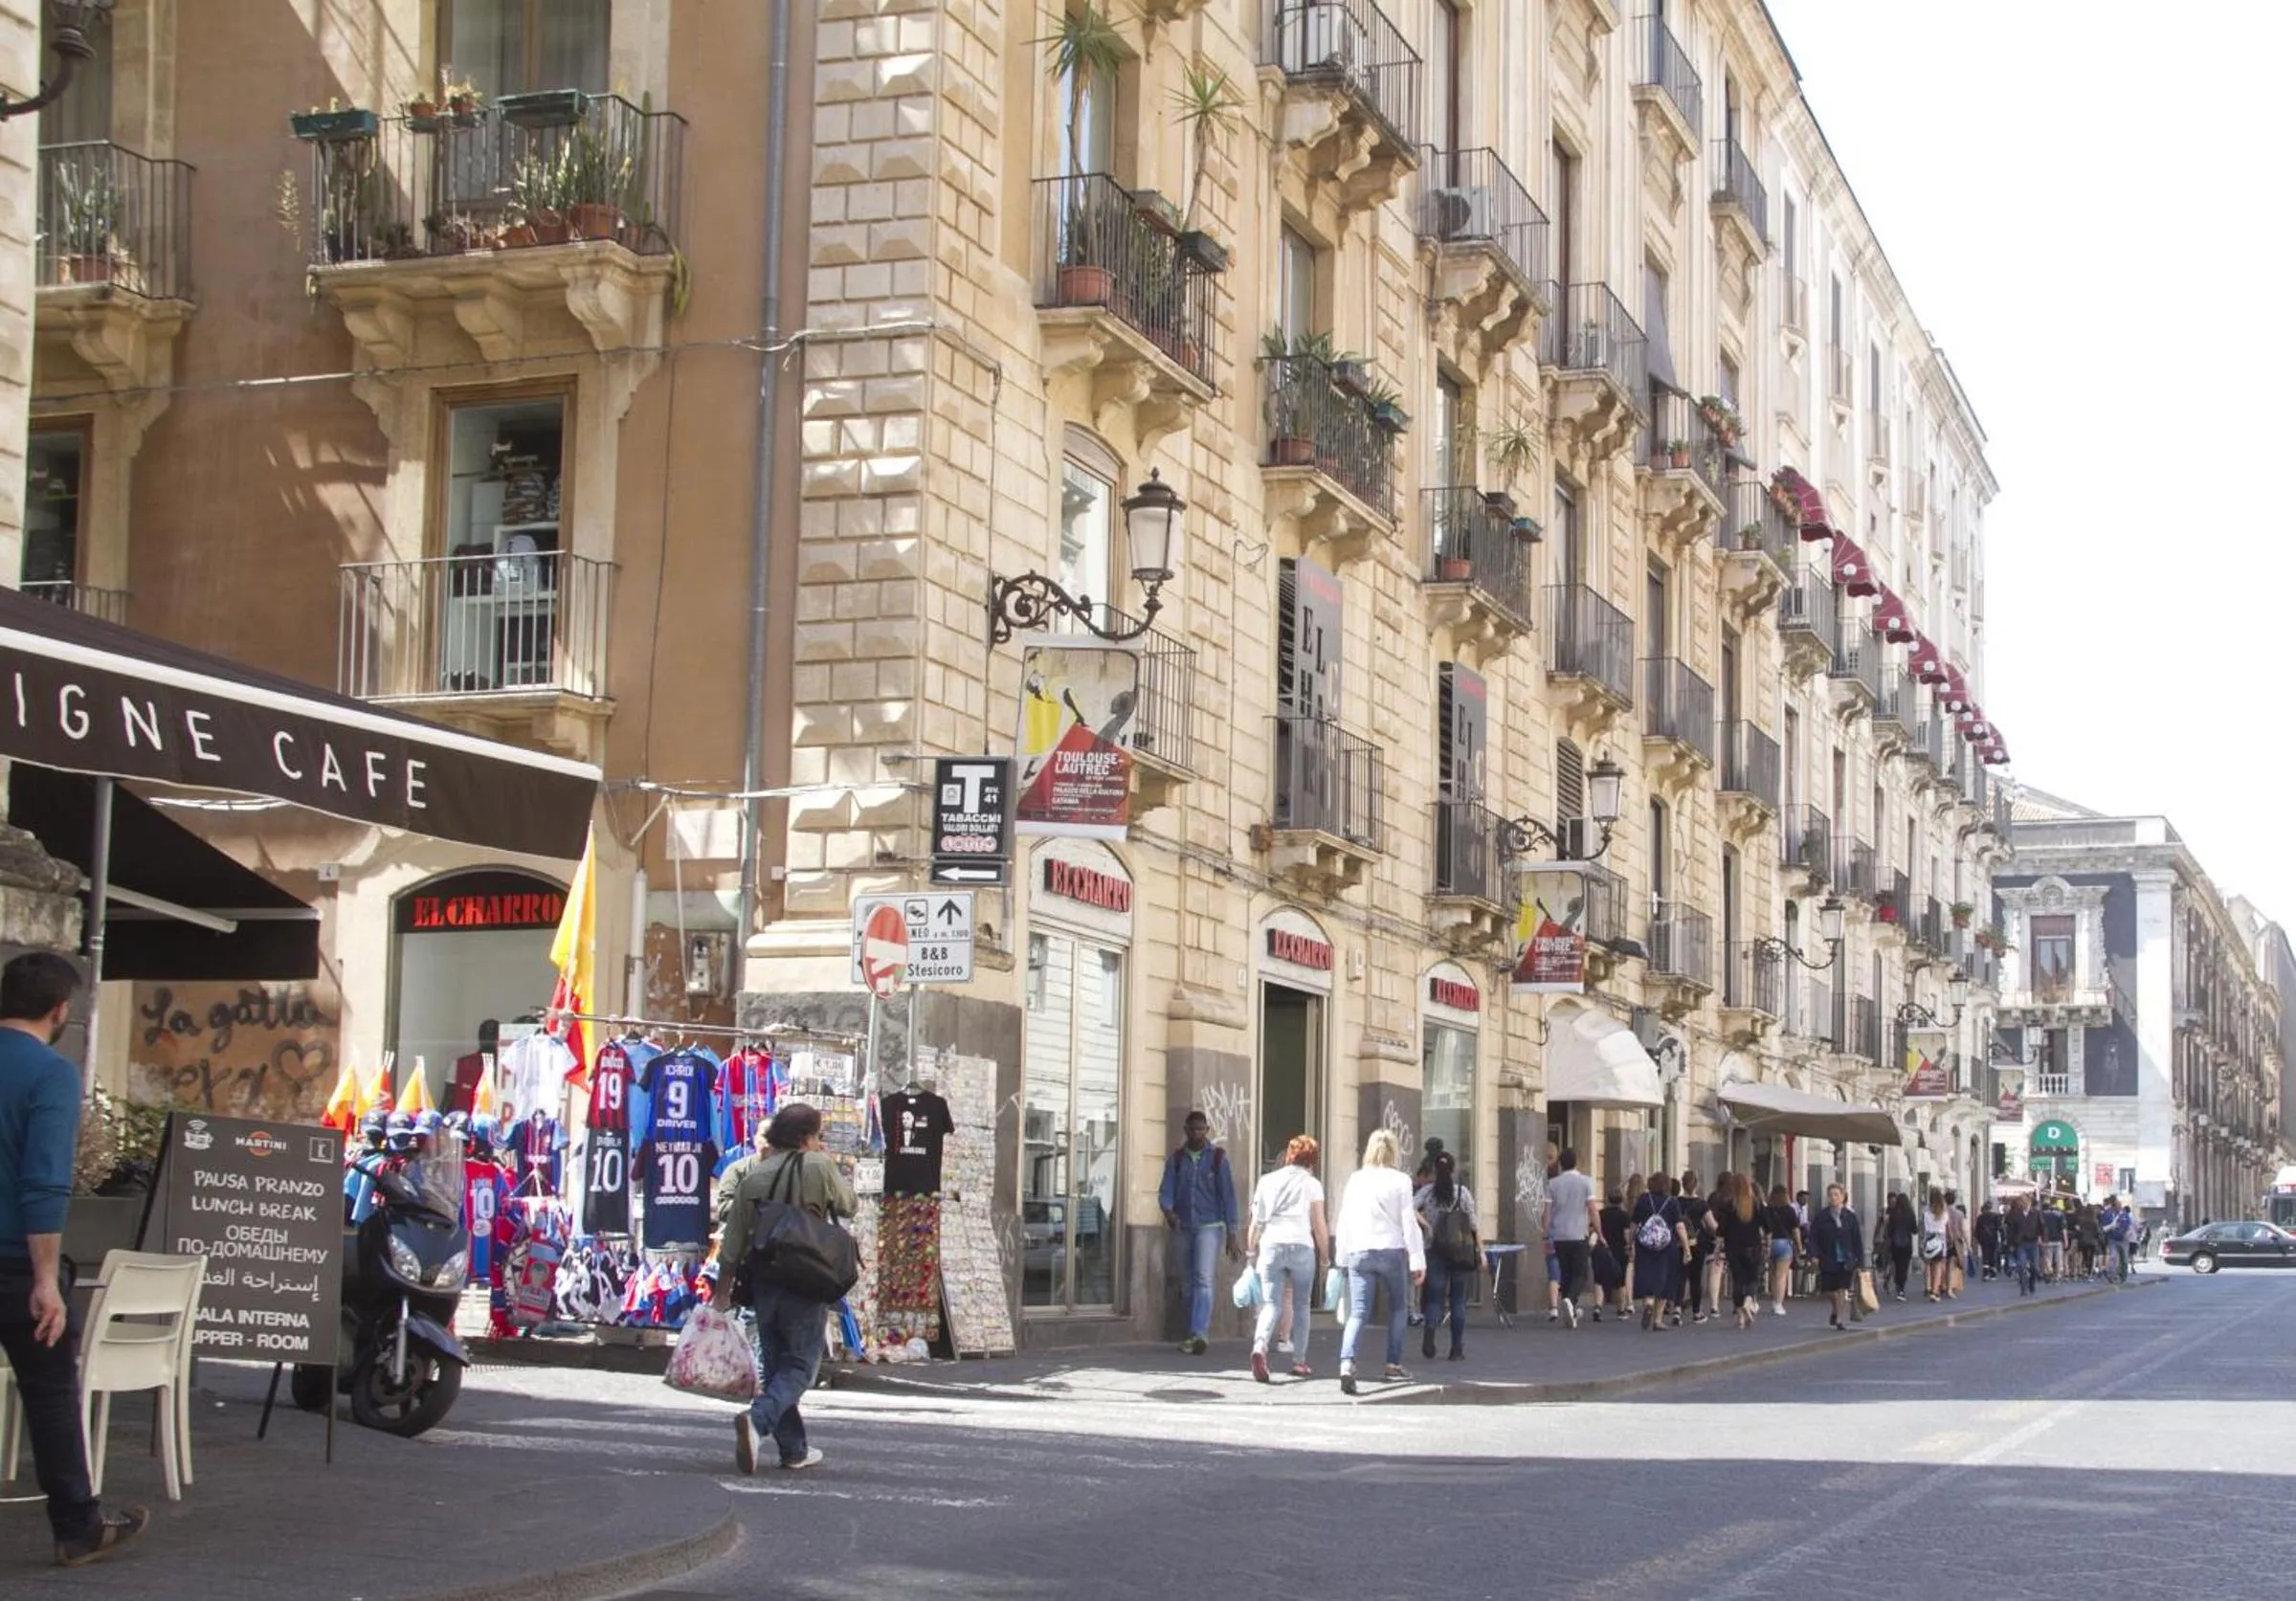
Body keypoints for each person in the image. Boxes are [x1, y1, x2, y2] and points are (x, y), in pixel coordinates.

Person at [0, 953, 148, 1565]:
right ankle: (77, 1525)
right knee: (49, 1393)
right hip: (12, 1263)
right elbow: (44, 1184)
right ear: (62, 1010)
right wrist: (45, 1280)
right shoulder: (50, 1075)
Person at [715, 1102, 858, 1474]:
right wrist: (826, 1163)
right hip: (807, 1274)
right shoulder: (818, 1165)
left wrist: (722, 1290)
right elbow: (848, 1205)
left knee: (778, 1365)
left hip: (764, 1278)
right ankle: (758, 1420)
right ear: (808, 1136)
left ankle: (793, 1450)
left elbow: (733, 1240)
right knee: (802, 1367)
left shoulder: (754, 1176)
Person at [1333, 1128, 1424, 1394]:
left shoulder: (1356, 1179)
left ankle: (1347, 1363)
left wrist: (1341, 1257)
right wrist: (1417, 1259)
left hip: (1359, 1251)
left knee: (1358, 1311)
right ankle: (1393, 1364)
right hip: (1391, 1251)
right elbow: (1408, 1221)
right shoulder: (1401, 1180)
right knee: (1398, 1309)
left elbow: (1345, 1218)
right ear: (1394, 1151)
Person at [1157, 1110, 1241, 1356]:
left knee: (1203, 1277)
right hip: (1183, 1226)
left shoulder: (1217, 1158)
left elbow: (1228, 1196)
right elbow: (1166, 1190)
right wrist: (1168, 1211)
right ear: (1186, 1130)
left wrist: (1232, 1232)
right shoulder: (1177, 1159)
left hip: (1209, 1227)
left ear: (1207, 1130)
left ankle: (1199, 1333)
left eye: (1201, 1129)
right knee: (1187, 1281)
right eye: (1192, 1129)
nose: (1196, 1134)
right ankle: (1191, 1333)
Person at [1246, 1135, 1328, 1383]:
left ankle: (1260, 1347)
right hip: (1301, 1246)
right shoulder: (1312, 1184)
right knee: (1302, 1305)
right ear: (1312, 1160)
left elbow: (1256, 1222)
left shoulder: (1267, 1180)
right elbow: (1319, 1224)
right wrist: (1325, 1258)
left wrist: (1250, 1253)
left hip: (1271, 1245)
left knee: (1272, 1304)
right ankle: (1299, 1361)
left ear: (1290, 1155)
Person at [1415, 1151, 1479, 1361]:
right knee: (1458, 1301)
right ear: (1453, 1170)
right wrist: (1482, 1252)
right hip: (1461, 1252)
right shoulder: (1463, 1193)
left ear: (1434, 1170)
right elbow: (1474, 1225)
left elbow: (1408, 1208)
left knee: (1434, 1299)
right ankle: (1456, 1349)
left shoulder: (1428, 1192)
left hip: (1435, 1250)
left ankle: (1430, 1333)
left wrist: (1427, 1226)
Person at [1544, 1146, 1600, 1330]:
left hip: (1559, 1236)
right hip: (1578, 1235)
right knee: (1581, 1273)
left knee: (1566, 1273)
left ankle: (1571, 1309)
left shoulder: (1553, 1184)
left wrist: (1546, 1233)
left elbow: (1547, 1212)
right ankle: (1569, 1299)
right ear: (1576, 1162)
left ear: (1561, 1164)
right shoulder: (1586, 1182)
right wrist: (1599, 1232)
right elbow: (1592, 1209)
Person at [1629, 1172, 1686, 1330]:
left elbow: (1634, 1223)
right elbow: (1679, 1226)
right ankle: (1658, 1320)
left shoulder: (1643, 1199)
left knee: (1646, 1274)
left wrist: (1630, 1242)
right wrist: (1686, 1247)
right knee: (1665, 1279)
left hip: (1645, 1244)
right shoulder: (1673, 1202)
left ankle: (1648, 1302)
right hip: (1667, 1246)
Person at [1810, 1183, 1866, 1330]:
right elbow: (1814, 1237)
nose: (1833, 1197)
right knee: (1828, 1290)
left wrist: (1860, 1260)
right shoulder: (1822, 1216)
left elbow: (1856, 1239)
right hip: (1828, 1257)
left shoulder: (1850, 1217)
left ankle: (1840, 1318)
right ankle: (1835, 1308)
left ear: (1842, 1197)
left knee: (1842, 1288)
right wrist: (1814, 1254)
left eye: (1836, 1194)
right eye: (1830, 1195)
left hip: (1846, 1259)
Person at [1719, 1173, 1767, 1330]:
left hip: (1733, 1248)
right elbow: (1768, 1225)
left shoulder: (1728, 1205)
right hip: (1753, 1246)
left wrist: (1720, 1245)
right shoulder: (1756, 1203)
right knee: (1753, 1279)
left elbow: (1721, 1229)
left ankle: (1740, 1316)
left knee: (1738, 1281)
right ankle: (1748, 1301)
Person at [1762, 1184, 1802, 1316]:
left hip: (1770, 1242)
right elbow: (1795, 1230)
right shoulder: (1789, 1210)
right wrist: (1799, 1246)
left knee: (1773, 1274)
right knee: (1781, 1275)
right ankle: (1778, 1304)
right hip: (1784, 1243)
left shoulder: (1767, 1210)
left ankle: (1774, 1301)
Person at [1595, 1187, 1632, 1323]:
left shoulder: (1601, 1213)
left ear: (1607, 1199)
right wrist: (1629, 1246)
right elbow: (1626, 1234)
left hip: (1603, 1249)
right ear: (1621, 1200)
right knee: (1620, 1281)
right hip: (1619, 1251)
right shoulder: (1624, 1215)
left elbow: (1593, 1229)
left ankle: (1598, 1307)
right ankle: (1621, 1310)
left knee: (1599, 1279)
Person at [1883, 1192, 1918, 1301]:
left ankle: (1897, 1284)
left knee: (1897, 1266)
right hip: (1907, 1244)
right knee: (1904, 1266)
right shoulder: (1910, 1214)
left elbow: (1890, 1230)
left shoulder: (1894, 1214)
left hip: (1895, 1244)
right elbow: (1914, 1230)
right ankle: (1901, 1289)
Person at [1920, 1189, 1952, 1302]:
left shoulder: (1925, 1211)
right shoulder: (1944, 1212)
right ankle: (1935, 1291)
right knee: (1938, 1266)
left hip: (1928, 1239)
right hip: (1940, 1239)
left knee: (1929, 1264)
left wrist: (1921, 1240)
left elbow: (1922, 1227)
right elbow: (1947, 1228)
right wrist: (1950, 1239)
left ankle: (1930, 1287)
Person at [2006, 1193, 2042, 1295]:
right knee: (2021, 1265)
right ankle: (2023, 1287)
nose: (2023, 1203)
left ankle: (2031, 1283)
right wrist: (2011, 1244)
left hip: (2033, 1242)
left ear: (2029, 1201)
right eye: (2021, 1201)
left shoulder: (2036, 1212)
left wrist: (2041, 1237)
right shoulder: (2016, 1214)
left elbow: (2041, 1226)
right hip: (2021, 1243)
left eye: (2025, 1201)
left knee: (2035, 1267)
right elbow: (2011, 1230)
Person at [2039, 1199, 2067, 1282]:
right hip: (2058, 1239)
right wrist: (2065, 1240)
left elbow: (2040, 1228)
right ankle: (2058, 1276)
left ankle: (2049, 1271)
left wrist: (2040, 1237)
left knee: (2048, 1258)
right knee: (2058, 1259)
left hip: (2047, 1239)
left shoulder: (2042, 1215)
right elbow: (2063, 1229)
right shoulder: (2060, 1215)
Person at [1974, 1201, 2004, 1281]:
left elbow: (1977, 1230)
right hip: (1993, 1238)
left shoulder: (1980, 1217)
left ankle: (1985, 1273)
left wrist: (1978, 1239)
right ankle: (1993, 1273)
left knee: (1985, 1255)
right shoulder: (1996, 1216)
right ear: (1991, 1207)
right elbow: (2000, 1228)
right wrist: (2003, 1238)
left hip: (1983, 1239)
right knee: (1992, 1255)